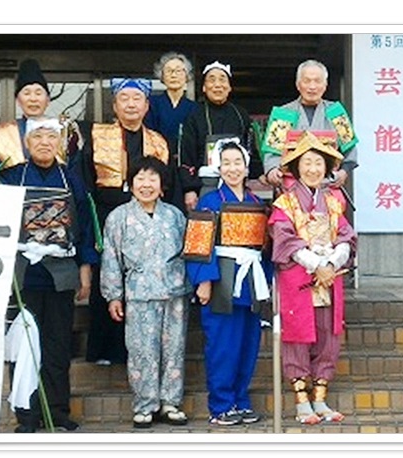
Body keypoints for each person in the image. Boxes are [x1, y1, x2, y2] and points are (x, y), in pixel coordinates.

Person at [0, 118, 97, 433]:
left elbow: (85, 225)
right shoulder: (12, 177)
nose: (44, 143)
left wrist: (85, 269)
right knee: (23, 345)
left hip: (61, 274)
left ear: (59, 143)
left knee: (58, 345)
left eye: (50, 137)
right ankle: (26, 414)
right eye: (37, 137)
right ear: (27, 144)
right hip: (22, 274)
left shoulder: (71, 179)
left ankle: (57, 411)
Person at [78, 77, 171, 367]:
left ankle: (141, 352)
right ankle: (105, 351)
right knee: (108, 278)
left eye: (136, 99)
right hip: (106, 215)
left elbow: (167, 185)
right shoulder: (97, 136)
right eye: (124, 99)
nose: (131, 104)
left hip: (147, 218)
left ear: (146, 105)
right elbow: (85, 181)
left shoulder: (158, 141)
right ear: (115, 106)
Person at [268, 131, 357, 425]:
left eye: (319, 163)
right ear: (296, 167)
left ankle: (320, 398)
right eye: (307, 163)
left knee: (328, 334)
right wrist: (316, 264)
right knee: (297, 334)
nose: (313, 169)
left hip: (330, 277)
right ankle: (301, 401)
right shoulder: (285, 203)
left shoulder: (333, 201)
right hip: (299, 278)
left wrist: (331, 262)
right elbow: (285, 240)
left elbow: (345, 235)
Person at [100, 154, 191, 428]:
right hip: (139, 293)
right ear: (131, 183)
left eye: (153, 178)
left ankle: (170, 402)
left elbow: (189, 252)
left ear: (162, 185)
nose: (146, 184)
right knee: (142, 350)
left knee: (174, 349)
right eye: (140, 178)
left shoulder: (175, 216)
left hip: (174, 292)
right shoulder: (118, 217)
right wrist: (113, 295)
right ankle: (145, 404)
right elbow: (111, 258)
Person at [185, 140, 272, 426]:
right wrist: (203, 280)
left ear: (246, 168)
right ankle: (221, 405)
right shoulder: (210, 201)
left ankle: (241, 400)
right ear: (218, 168)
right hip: (222, 278)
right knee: (223, 345)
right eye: (227, 163)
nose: (233, 169)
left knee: (248, 344)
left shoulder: (257, 203)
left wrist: (267, 281)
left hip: (250, 281)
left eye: (238, 163)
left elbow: (264, 248)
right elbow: (198, 244)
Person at [178, 61, 265, 203]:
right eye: (212, 80)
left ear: (229, 87)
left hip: (237, 185)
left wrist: (261, 174)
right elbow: (186, 156)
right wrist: (189, 189)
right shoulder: (194, 116)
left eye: (222, 80)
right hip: (205, 186)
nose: (217, 85)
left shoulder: (241, 115)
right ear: (204, 87)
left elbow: (250, 150)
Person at [262, 60, 357, 190]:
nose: (312, 86)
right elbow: (272, 154)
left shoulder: (336, 112)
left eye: (317, 81)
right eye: (307, 81)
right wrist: (272, 171)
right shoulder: (284, 114)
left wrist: (343, 172)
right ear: (298, 85)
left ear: (325, 85)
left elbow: (350, 150)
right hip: (291, 187)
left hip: (327, 186)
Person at [147, 52, 199, 211]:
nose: (174, 75)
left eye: (179, 71)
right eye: (169, 71)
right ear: (161, 76)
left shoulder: (195, 108)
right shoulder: (152, 104)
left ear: (187, 76)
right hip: (159, 166)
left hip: (186, 170)